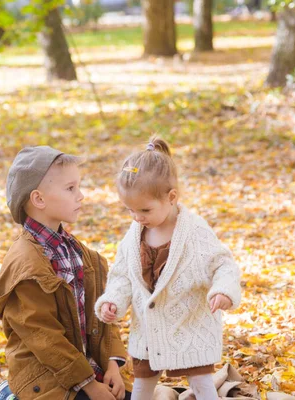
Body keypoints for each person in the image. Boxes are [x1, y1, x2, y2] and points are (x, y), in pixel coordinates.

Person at [96, 138, 242, 400]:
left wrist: (223, 291)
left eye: (144, 209)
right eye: (130, 210)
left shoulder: (194, 232)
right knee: (142, 386)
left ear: (172, 197)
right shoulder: (134, 235)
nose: (137, 217)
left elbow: (223, 264)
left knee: (202, 384)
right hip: (148, 331)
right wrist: (113, 301)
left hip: (189, 324)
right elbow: (122, 276)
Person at [0, 146, 132, 400]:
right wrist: (89, 385)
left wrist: (112, 364)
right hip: (47, 380)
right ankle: (9, 395)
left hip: (88, 369)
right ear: (39, 199)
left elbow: (103, 315)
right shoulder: (27, 266)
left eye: (78, 187)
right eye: (70, 188)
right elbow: (44, 337)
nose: (81, 196)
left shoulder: (79, 254)